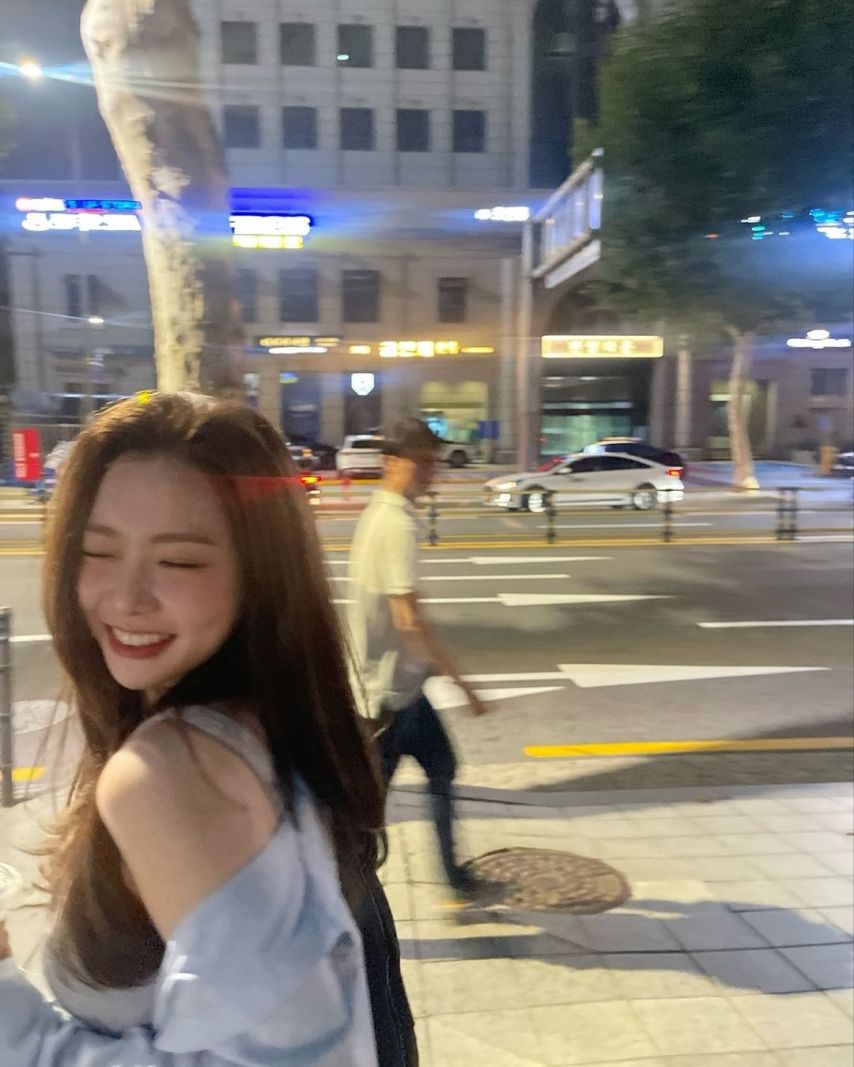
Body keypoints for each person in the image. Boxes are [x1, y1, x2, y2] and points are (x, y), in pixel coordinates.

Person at [0, 392, 416, 1066]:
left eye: (180, 561)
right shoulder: (275, 722)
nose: (125, 597)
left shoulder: (169, 771)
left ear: (260, 575)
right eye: (98, 551)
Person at [348, 418, 489, 901]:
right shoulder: (396, 525)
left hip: (401, 688)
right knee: (368, 812)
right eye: (422, 462)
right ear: (391, 463)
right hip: (388, 699)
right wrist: (463, 684)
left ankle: (452, 877)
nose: (432, 472)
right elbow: (409, 619)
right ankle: (350, 895)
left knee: (441, 768)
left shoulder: (381, 513)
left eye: (435, 463)